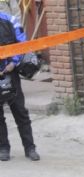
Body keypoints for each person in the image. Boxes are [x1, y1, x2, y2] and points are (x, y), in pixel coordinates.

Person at [0, 11, 38, 162]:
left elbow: (22, 43)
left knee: (20, 112)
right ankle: (3, 148)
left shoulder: (10, 20)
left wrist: (13, 63)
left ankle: (30, 148)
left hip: (11, 72)